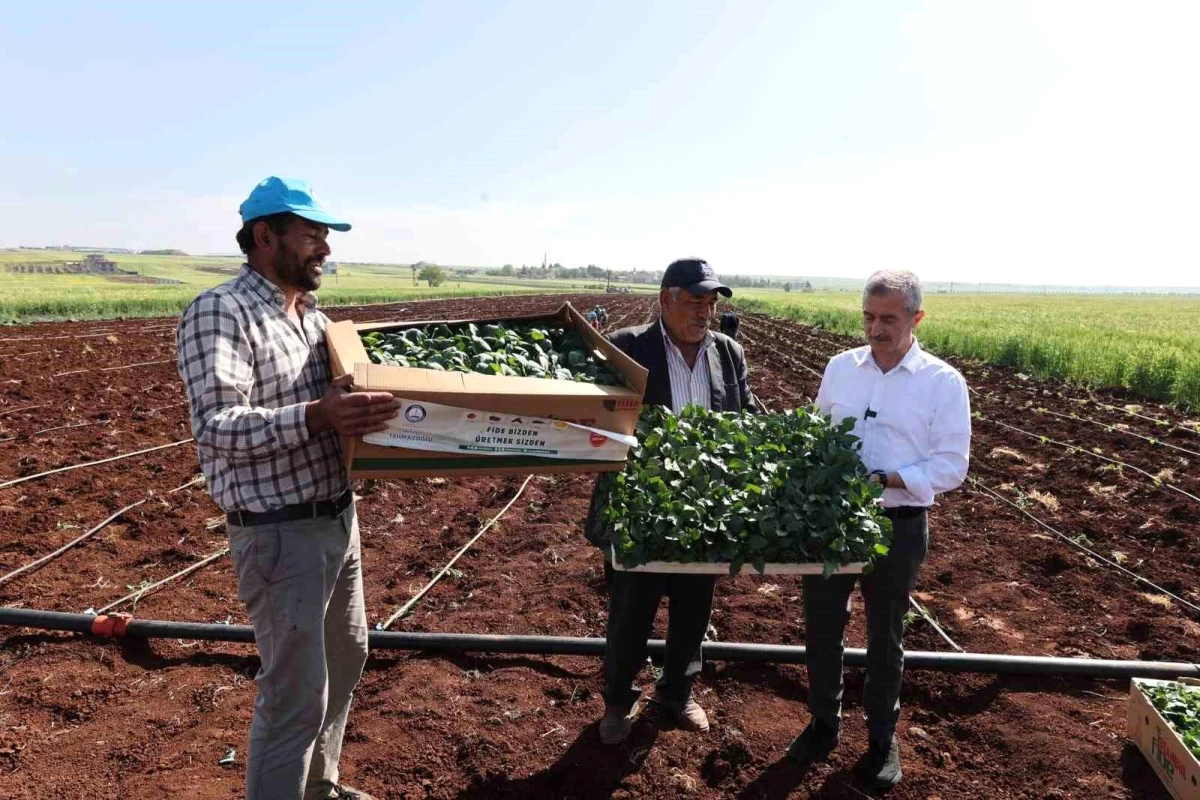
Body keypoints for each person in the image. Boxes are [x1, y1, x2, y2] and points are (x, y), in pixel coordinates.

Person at [176, 176, 400, 800]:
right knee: (294, 695)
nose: (323, 249)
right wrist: (317, 415)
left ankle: (318, 787)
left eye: (325, 236)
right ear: (264, 235)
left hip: (337, 520)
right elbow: (217, 426)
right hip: (279, 531)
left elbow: (344, 411)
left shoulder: (316, 321)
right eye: (311, 235)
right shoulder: (222, 310)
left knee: (347, 659)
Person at [786, 269, 970, 789]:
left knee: (884, 637)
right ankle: (823, 724)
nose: (876, 328)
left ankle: (881, 740)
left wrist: (890, 479)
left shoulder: (942, 382)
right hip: (832, 522)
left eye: (888, 318)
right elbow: (817, 433)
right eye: (869, 316)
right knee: (822, 627)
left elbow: (952, 465)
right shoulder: (841, 368)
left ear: (916, 318)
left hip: (898, 523)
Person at [584, 258, 759, 745]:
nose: (704, 311)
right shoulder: (627, 346)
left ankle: (677, 692)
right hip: (641, 507)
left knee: (694, 608)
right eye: (694, 300)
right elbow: (597, 420)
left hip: (705, 508)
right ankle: (619, 701)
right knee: (630, 611)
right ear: (666, 299)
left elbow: (742, 419)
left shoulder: (728, 352)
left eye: (711, 302)